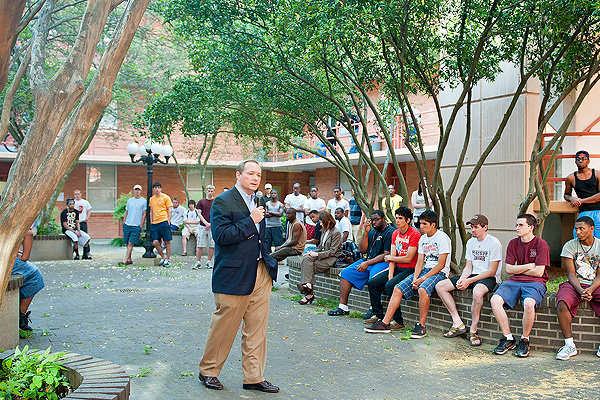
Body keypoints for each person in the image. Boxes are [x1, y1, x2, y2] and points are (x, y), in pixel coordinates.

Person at [198, 159, 279, 393]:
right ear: (238, 175)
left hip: (260, 272)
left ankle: (254, 377)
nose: (255, 178)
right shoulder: (223, 201)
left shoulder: (260, 201)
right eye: (250, 173)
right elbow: (222, 236)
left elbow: (261, 237)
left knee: (257, 329)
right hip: (233, 274)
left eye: (259, 175)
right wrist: (251, 220)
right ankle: (208, 371)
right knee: (224, 326)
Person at [364, 210, 450, 337]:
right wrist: (416, 277)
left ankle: (421, 326)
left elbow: (441, 264)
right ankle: (385, 323)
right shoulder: (423, 239)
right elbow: (420, 261)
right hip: (423, 270)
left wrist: (422, 279)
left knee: (422, 289)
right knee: (397, 288)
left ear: (433, 224)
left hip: (439, 272)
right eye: (420, 224)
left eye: (425, 224)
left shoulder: (442, 238)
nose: (421, 227)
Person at [435, 214, 502, 346]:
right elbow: (469, 267)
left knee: (477, 293)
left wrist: (469, 281)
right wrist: (462, 279)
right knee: (440, 286)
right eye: (472, 227)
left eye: (476, 227)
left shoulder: (494, 243)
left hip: (489, 278)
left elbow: (492, 271)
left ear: (485, 227)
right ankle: (457, 323)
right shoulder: (471, 242)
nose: (473, 230)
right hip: (473, 275)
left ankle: (473, 331)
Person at [491, 213, 550, 357]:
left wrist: (521, 268)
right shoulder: (513, 243)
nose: (517, 228)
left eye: (521, 225)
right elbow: (509, 269)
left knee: (529, 304)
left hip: (535, 282)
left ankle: (525, 340)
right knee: (495, 300)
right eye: (516, 225)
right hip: (515, 281)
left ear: (530, 227)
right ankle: (508, 338)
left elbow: (539, 272)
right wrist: (529, 265)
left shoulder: (541, 244)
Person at [327, 210, 395, 316]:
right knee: (345, 273)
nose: (374, 222)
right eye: (372, 220)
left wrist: (367, 263)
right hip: (368, 260)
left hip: (383, 262)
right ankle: (343, 307)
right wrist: (366, 231)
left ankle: (374, 309)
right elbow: (362, 250)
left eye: (376, 219)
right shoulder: (372, 231)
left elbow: (387, 254)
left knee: (373, 279)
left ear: (383, 219)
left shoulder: (390, 232)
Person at [363, 207, 420, 330]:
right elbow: (393, 256)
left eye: (400, 218)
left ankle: (398, 321)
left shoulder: (414, 234)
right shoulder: (395, 233)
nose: (397, 221)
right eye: (397, 218)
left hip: (410, 269)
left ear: (408, 220)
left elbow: (408, 258)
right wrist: (390, 273)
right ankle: (377, 314)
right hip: (398, 266)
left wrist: (390, 258)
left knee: (390, 286)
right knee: (373, 282)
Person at [555, 216, 600, 360]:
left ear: (592, 229)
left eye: (582, 228)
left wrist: (591, 289)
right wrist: (581, 291)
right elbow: (571, 274)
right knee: (562, 301)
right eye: (576, 229)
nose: (578, 232)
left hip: (595, 284)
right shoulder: (570, 245)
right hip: (576, 284)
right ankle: (569, 345)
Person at [297, 212, 342, 305]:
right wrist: (311, 253)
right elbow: (320, 247)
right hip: (322, 255)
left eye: (322, 222)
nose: (320, 224)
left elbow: (332, 252)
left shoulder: (336, 233)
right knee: (306, 259)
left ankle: (308, 293)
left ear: (328, 222)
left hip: (331, 258)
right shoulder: (324, 231)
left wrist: (317, 255)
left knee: (309, 267)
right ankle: (308, 285)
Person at [12, 225, 44, 331]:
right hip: (6, 261)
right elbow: (24, 258)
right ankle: (21, 316)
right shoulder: (24, 229)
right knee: (35, 275)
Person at [564, 150, 600, 238]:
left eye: (584, 159)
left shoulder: (597, 174)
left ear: (588, 161)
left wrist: (581, 201)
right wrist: (572, 199)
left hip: (598, 211)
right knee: (579, 236)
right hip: (584, 212)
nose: (581, 161)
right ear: (575, 161)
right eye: (578, 159)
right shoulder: (571, 178)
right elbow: (566, 195)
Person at [120, 184, 146, 266]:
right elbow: (126, 212)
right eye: (136, 189)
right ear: (133, 191)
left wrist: (141, 224)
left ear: (141, 191)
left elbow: (144, 214)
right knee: (128, 243)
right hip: (128, 224)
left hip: (136, 225)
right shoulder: (130, 201)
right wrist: (124, 222)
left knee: (131, 243)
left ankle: (125, 260)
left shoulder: (143, 201)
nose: (137, 191)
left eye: (138, 190)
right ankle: (129, 259)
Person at [148, 182, 173, 266]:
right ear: (153, 189)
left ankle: (168, 259)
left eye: (158, 187)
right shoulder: (151, 199)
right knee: (155, 242)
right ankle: (163, 257)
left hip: (164, 221)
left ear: (161, 189)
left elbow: (169, 209)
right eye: (155, 187)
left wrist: (168, 220)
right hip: (155, 223)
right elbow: (151, 211)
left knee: (167, 241)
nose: (157, 189)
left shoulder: (166, 197)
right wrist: (151, 221)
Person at [196, 185, 216, 269]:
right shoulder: (201, 201)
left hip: (213, 226)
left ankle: (209, 261)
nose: (210, 193)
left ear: (214, 191)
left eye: (212, 191)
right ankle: (198, 261)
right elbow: (199, 213)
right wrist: (205, 223)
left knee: (212, 245)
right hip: (202, 226)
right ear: (206, 191)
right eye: (209, 191)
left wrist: (211, 223)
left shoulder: (216, 201)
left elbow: (217, 213)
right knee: (200, 244)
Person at [265, 189, 284, 254]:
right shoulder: (267, 204)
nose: (273, 194)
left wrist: (270, 212)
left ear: (277, 195)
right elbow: (265, 215)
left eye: (275, 193)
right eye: (272, 193)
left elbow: (280, 214)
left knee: (278, 243)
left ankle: (279, 259)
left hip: (277, 226)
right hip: (268, 226)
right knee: (267, 244)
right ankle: (268, 258)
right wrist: (276, 213)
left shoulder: (280, 204)